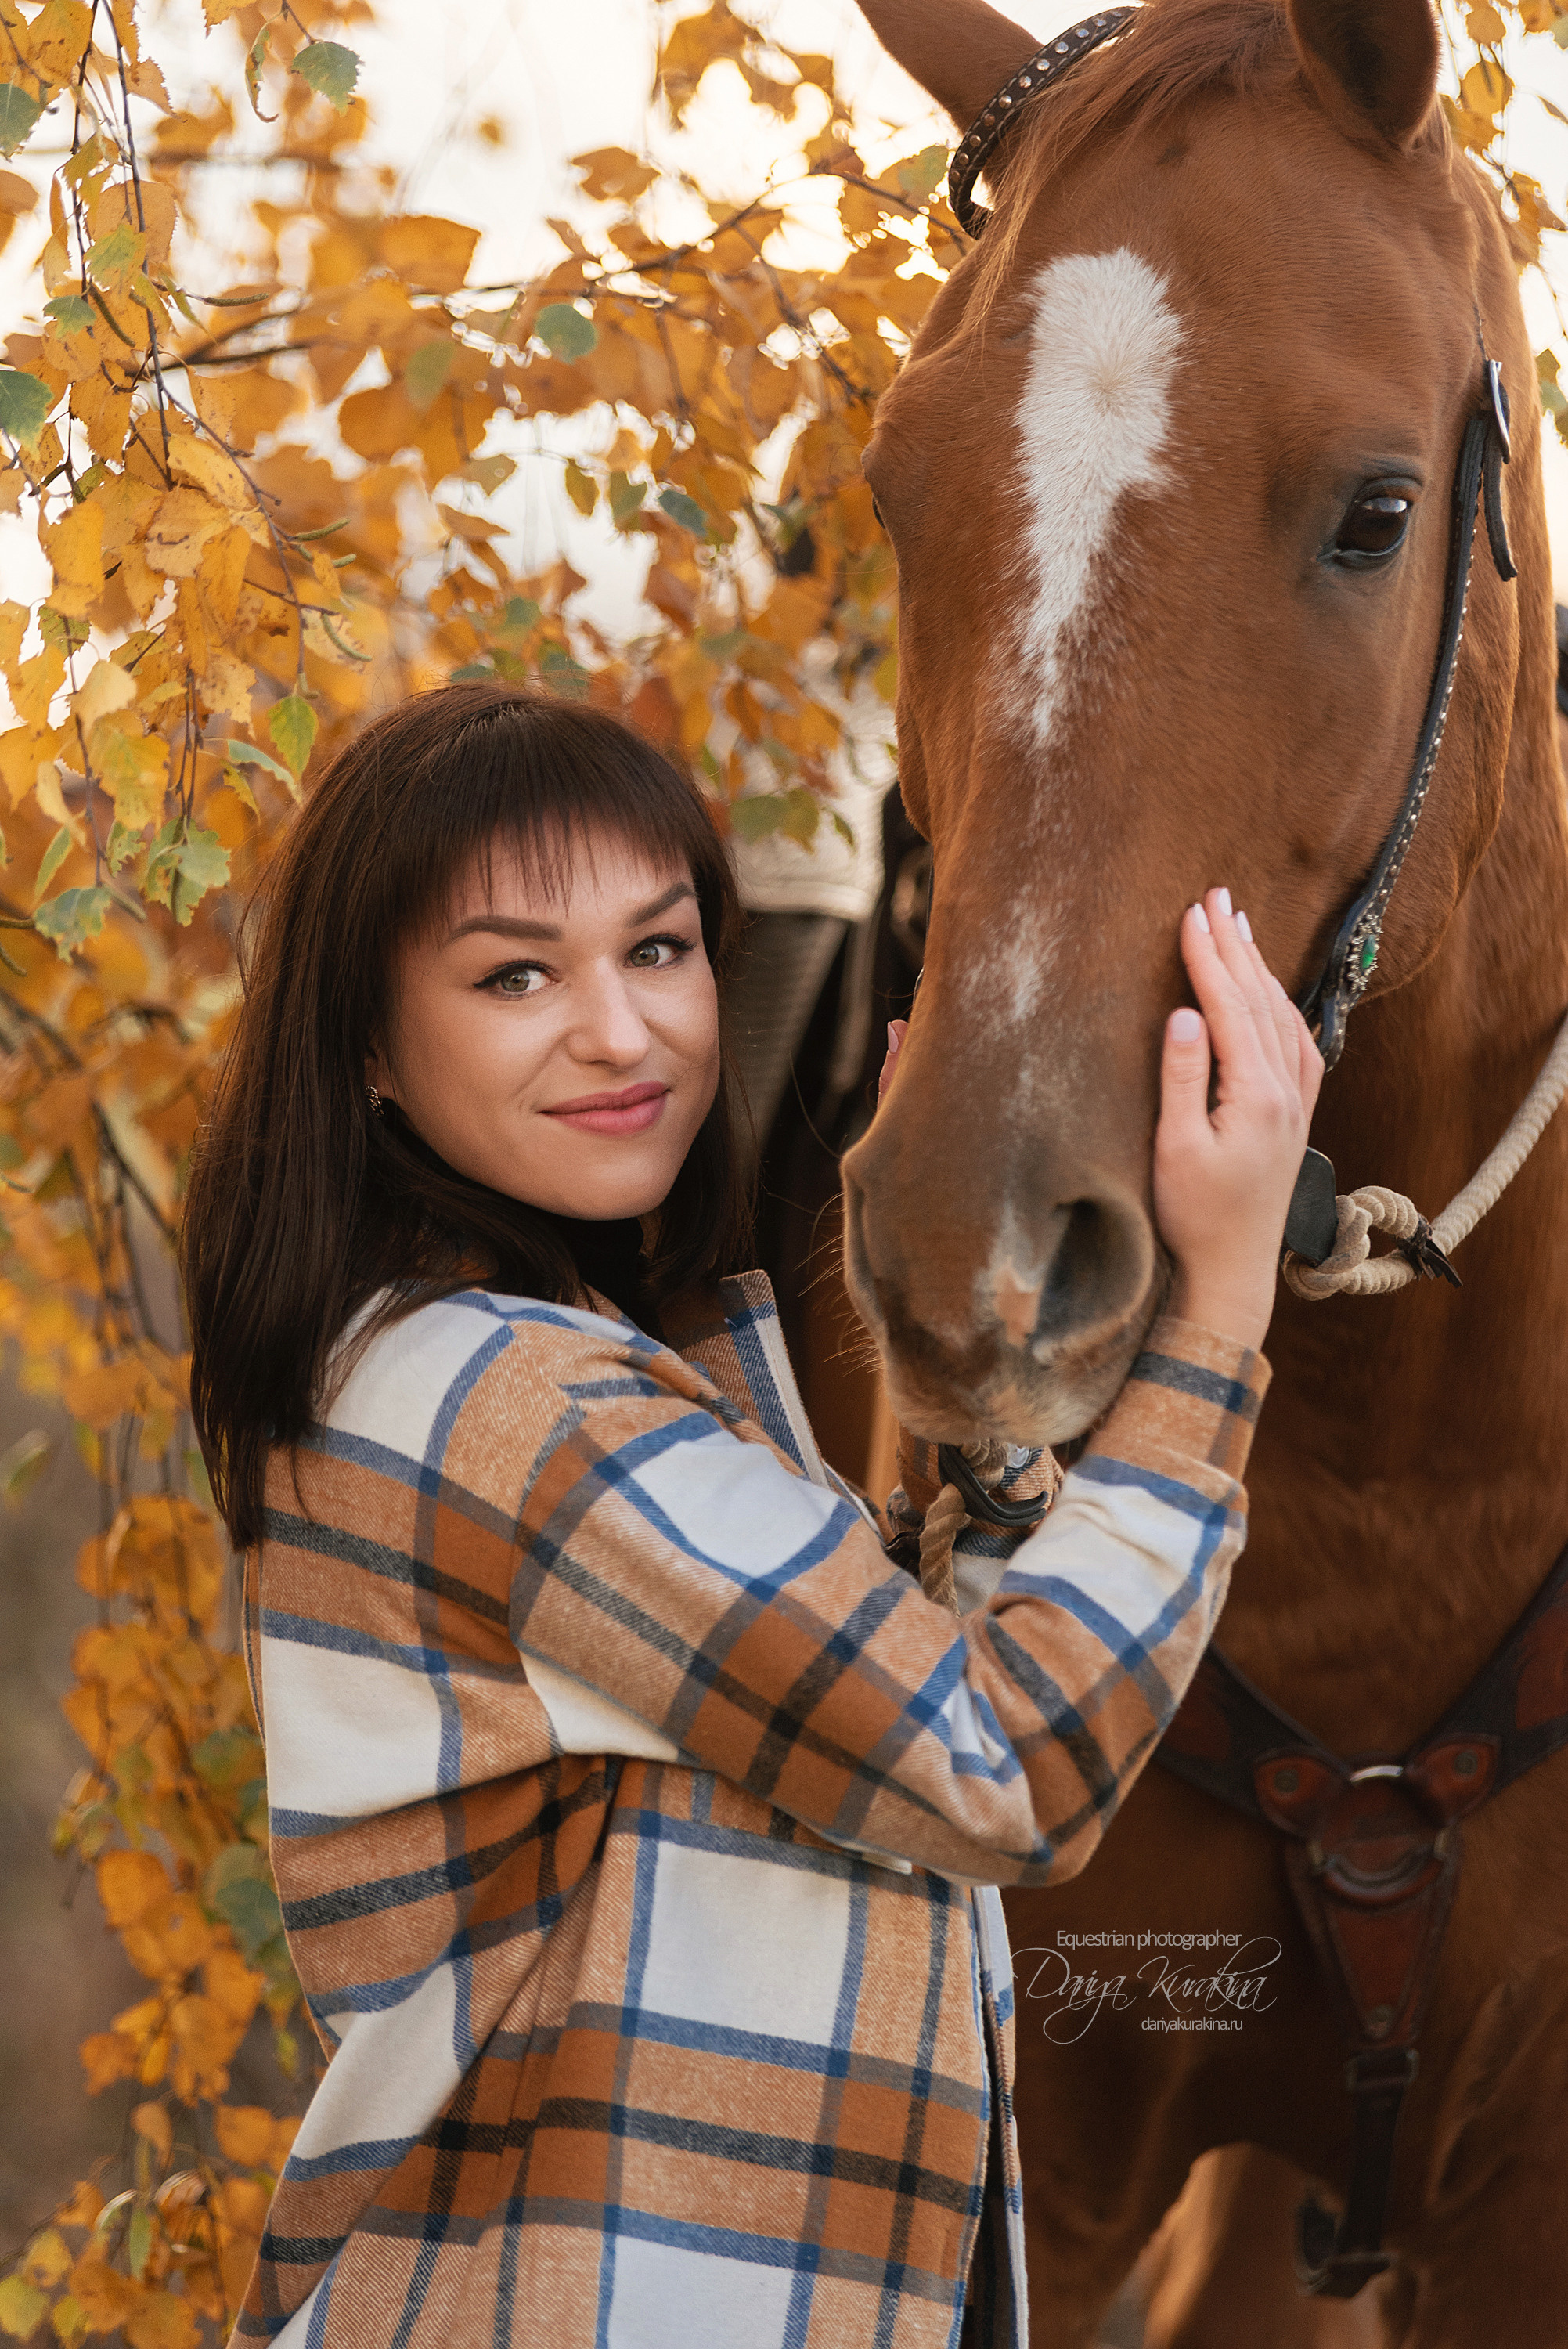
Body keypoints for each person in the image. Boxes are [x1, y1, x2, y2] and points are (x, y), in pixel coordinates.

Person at [182, 681, 1321, 2349]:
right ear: (366, 1041)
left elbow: (905, 1683)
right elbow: (997, 1768)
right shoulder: (511, 1409)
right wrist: (1218, 1308)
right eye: (516, 974)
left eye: (657, 949)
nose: (624, 1032)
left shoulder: (580, 1367)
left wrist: (977, 1359)